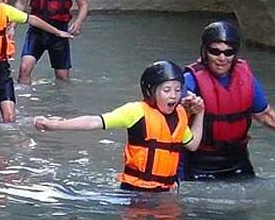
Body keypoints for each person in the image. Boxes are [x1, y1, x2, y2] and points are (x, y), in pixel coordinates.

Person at [34, 61, 205, 192]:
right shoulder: (135, 111)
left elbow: (193, 144)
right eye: (166, 90)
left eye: (177, 90)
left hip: (166, 192)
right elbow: (94, 122)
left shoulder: (180, 115)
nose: (173, 95)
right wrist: (55, 125)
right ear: (151, 92)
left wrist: (200, 112)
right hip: (135, 192)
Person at [182, 20, 275, 180]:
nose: (222, 58)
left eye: (228, 52)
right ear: (205, 52)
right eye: (215, 51)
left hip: (237, 161)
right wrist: (187, 108)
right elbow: (171, 117)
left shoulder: (246, 78)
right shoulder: (189, 81)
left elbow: (265, 114)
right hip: (199, 163)